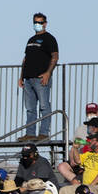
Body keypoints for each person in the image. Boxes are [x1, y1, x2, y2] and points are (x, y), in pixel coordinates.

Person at [19, 12, 58, 140]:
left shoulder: (49, 39)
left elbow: (55, 57)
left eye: (40, 22)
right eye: (35, 22)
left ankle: (44, 133)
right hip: (28, 78)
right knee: (30, 108)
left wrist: (48, 73)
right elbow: (25, 59)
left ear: (45, 24)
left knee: (44, 106)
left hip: (40, 78)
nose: (38, 25)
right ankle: (30, 133)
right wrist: (21, 77)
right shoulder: (30, 40)